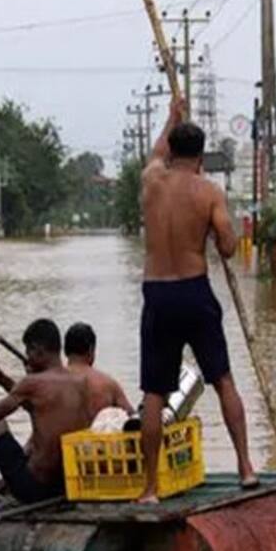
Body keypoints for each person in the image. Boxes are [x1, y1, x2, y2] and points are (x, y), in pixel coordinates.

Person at [138, 93, 256, 503]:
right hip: (193, 290)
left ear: (171, 150)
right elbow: (227, 246)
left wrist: (170, 117)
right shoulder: (208, 192)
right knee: (222, 379)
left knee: (155, 393)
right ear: (201, 155)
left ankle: (150, 488)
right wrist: (212, 227)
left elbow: (156, 151)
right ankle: (245, 467)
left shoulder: (151, 181)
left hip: (157, 293)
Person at [0, 318, 88, 506]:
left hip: (35, 489)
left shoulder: (33, 383)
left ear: (38, 350)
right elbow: (34, 405)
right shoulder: (79, 382)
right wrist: (1, 379)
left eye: (29, 351)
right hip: (66, 485)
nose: (27, 357)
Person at [62, 321, 132, 419]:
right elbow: (131, 416)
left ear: (65, 350)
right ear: (91, 350)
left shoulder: (51, 384)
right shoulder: (108, 384)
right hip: (95, 433)